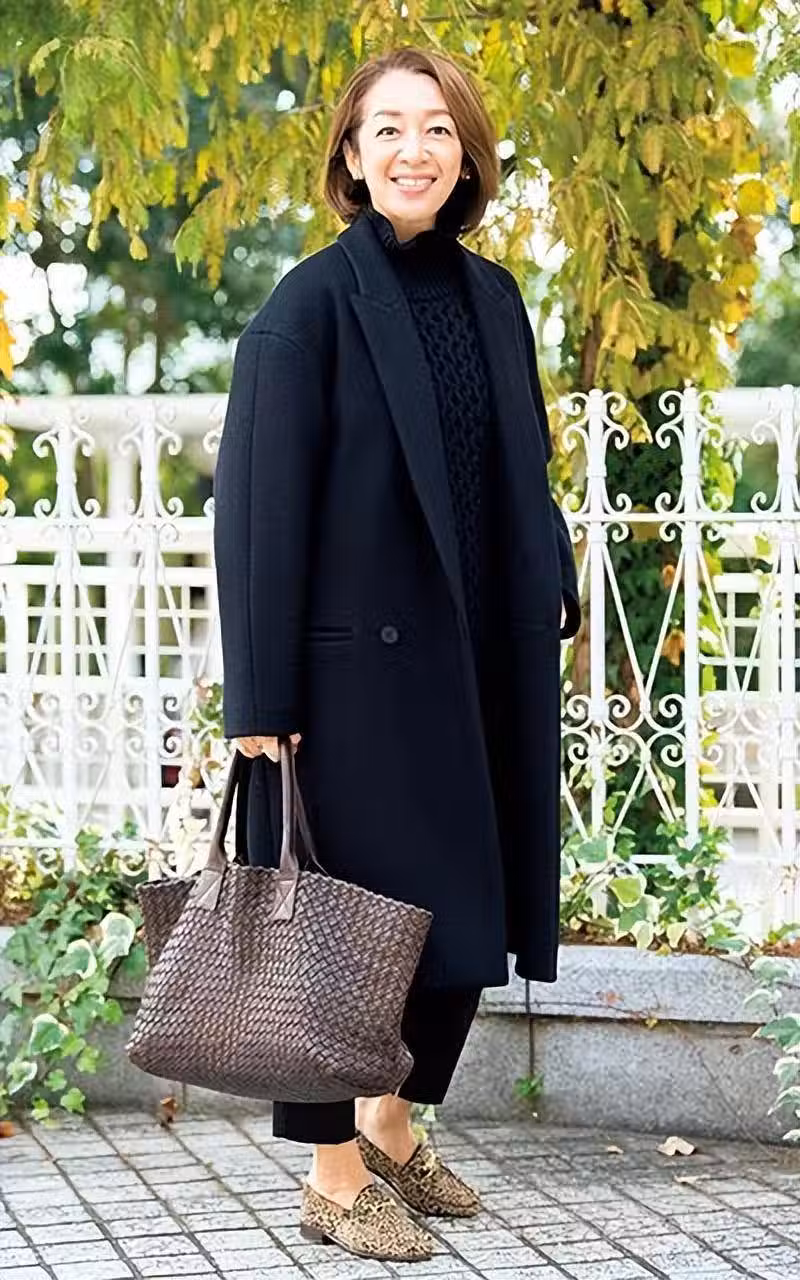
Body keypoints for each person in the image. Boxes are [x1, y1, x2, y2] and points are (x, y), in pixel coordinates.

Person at [213, 44, 581, 1264]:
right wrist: (259, 694)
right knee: (338, 928)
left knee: (466, 915)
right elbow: (256, 509)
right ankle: (330, 1175)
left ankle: (387, 1121)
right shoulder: (308, 306)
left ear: (466, 154)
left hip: (479, 656)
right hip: (349, 679)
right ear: (351, 155)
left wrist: (549, 574)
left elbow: (519, 462)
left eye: (435, 128)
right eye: (387, 129)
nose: (413, 149)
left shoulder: (492, 297)